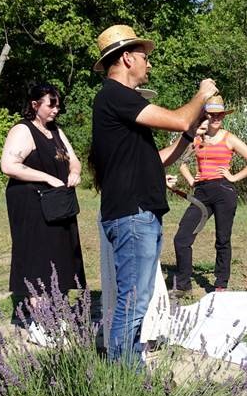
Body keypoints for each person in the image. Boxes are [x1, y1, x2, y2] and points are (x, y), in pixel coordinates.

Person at [90, 24, 217, 363]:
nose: (149, 64)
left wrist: (190, 136)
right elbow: (177, 118)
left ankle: (129, 372)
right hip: (133, 215)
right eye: (145, 57)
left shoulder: (122, 104)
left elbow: (159, 158)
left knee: (137, 301)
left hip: (139, 213)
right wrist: (202, 94)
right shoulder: (114, 95)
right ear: (127, 58)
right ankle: (120, 378)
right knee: (132, 303)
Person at [0, 83, 86, 343]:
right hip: (31, 205)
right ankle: (40, 323)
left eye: (58, 105)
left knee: (59, 258)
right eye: (51, 104)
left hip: (57, 205)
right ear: (35, 104)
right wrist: (48, 178)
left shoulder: (56, 131)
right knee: (38, 259)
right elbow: (9, 165)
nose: (56, 110)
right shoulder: (23, 130)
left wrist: (74, 172)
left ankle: (55, 314)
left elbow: (74, 159)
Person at [173, 96, 247, 293]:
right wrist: (190, 180)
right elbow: (182, 163)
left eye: (220, 114)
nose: (216, 117)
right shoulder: (196, 138)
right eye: (212, 114)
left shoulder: (229, 138)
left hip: (224, 191)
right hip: (201, 193)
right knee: (182, 237)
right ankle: (183, 285)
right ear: (205, 115)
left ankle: (221, 284)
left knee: (223, 239)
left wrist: (233, 177)